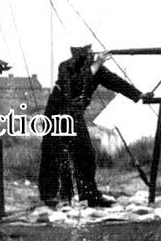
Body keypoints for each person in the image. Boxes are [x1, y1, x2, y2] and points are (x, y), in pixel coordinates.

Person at [38, 44, 141, 208]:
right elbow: (75, 85)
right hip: (57, 112)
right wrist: (95, 66)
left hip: (74, 113)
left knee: (85, 153)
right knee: (53, 153)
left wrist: (138, 95)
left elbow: (116, 82)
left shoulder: (97, 70)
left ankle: (89, 194)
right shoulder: (65, 67)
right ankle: (50, 195)